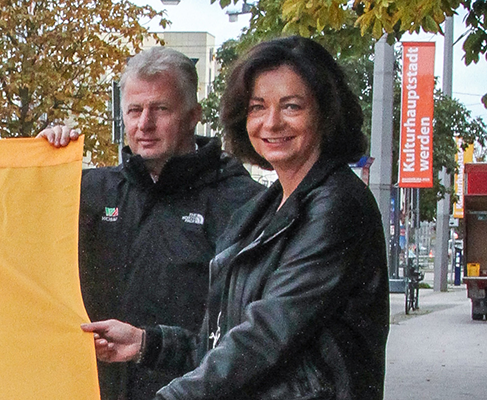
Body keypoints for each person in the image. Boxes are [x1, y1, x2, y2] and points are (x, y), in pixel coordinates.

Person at [82, 36, 389, 399]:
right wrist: (149, 343)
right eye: (258, 107)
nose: (271, 123)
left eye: (291, 106)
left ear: (325, 111)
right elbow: (223, 339)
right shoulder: (264, 209)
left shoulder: (336, 205)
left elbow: (264, 339)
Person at [40, 46, 263, 400]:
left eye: (160, 109)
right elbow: (15, 231)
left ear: (192, 116)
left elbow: (252, 335)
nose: (144, 124)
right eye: (134, 110)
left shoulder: (241, 202)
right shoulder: (89, 192)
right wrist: (40, 165)